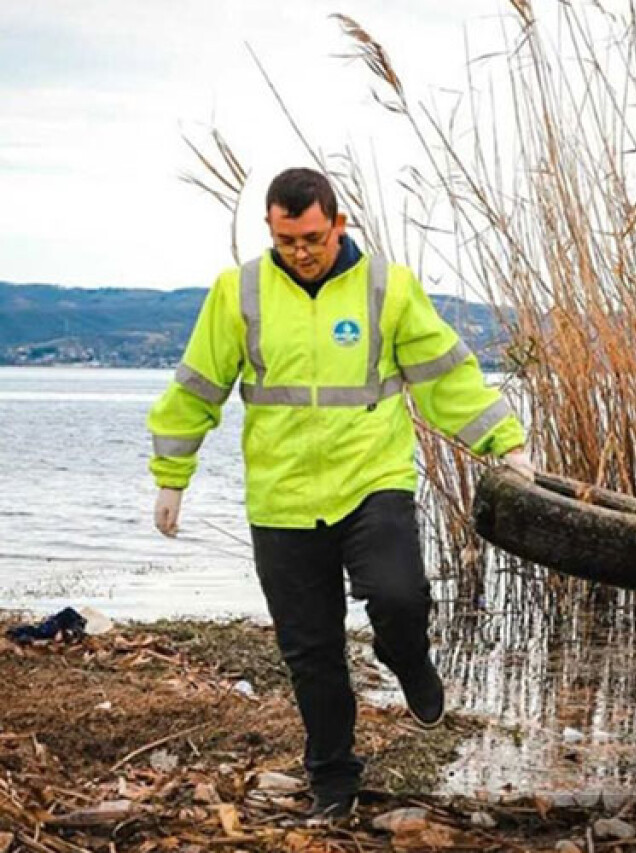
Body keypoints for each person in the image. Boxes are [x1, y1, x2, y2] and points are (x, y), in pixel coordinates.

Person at [146, 167, 535, 822]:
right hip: (281, 496)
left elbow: (445, 375)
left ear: (339, 224)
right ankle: (332, 778)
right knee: (312, 650)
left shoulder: (388, 287)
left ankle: (406, 656)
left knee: (398, 595)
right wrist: (170, 475)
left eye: (313, 237)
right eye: (287, 239)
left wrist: (505, 441)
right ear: (271, 230)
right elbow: (196, 387)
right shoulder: (238, 292)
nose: (301, 251)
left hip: (371, 480)